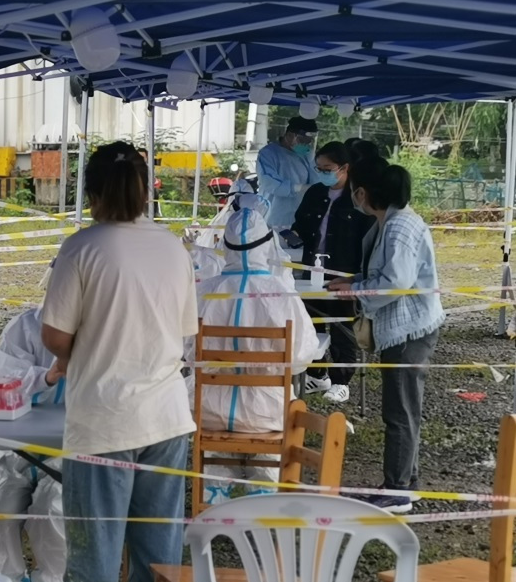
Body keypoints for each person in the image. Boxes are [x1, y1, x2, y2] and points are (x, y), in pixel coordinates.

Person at [39, 141, 197, 582]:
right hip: (167, 417)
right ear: (147, 188)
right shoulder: (173, 247)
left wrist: (77, 350)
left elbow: (55, 335)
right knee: (157, 549)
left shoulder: (83, 247)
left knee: (96, 551)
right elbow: (184, 330)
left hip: (104, 421)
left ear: (92, 191)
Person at [326, 158, 444, 513]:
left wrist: (356, 291)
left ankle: (397, 489)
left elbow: (396, 281)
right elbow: (386, 274)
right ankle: (406, 481)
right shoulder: (391, 222)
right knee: (404, 408)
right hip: (406, 329)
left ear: (362, 193)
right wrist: (355, 282)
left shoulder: (398, 227)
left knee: (400, 410)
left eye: (353, 191)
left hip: (409, 331)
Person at [190, 208, 319, 504]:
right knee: (266, 462)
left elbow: (187, 352)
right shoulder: (282, 294)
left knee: (217, 457)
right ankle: (263, 503)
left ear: (225, 246)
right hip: (267, 413)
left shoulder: (204, 293)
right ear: (267, 244)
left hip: (209, 411)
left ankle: (213, 501)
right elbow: (302, 357)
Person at [0, 297, 69, 582]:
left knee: (55, 506)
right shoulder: (25, 326)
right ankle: (2, 579)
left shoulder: (105, 329)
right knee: (3, 501)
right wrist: (48, 376)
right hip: (19, 434)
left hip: (77, 440)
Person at [292, 141, 375, 404]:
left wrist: (358, 276)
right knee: (309, 322)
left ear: (344, 167)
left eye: (327, 169)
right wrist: (292, 235)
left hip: (343, 271)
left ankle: (341, 382)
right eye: (318, 168)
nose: (322, 173)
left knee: (342, 326)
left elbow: (367, 236)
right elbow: (300, 224)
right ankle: (317, 373)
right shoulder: (315, 192)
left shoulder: (358, 196)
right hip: (311, 268)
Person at [257, 115, 321, 230]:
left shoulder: (307, 154)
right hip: (273, 217)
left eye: (309, 141)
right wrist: (296, 188)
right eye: (303, 140)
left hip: (298, 217)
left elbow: (316, 179)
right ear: (290, 135)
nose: (306, 144)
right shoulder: (268, 154)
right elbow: (268, 182)